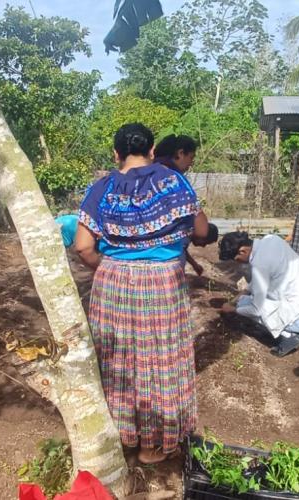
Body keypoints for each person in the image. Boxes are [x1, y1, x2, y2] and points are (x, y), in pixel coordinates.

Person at [75, 123, 209, 465]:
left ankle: (120, 439)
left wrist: (110, 268)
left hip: (113, 282)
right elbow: (201, 230)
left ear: (116, 154)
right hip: (163, 281)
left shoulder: (101, 188)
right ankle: (153, 445)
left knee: (117, 359)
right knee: (161, 359)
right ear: (151, 151)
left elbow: (83, 247)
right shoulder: (174, 182)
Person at [218, 232, 299, 357]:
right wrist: (237, 298)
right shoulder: (271, 239)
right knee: (247, 299)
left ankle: (289, 335)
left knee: (245, 305)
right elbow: (258, 281)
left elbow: (256, 310)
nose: (238, 263)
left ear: (242, 251)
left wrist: (233, 309)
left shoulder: (259, 265)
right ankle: (288, 329)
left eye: (236, 259)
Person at [155, 134, 209, 274]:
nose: (191, 163)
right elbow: (202, 230)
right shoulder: (175, 180)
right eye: (191, 157)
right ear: (180, 153)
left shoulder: (134, 176)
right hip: (167, 261)